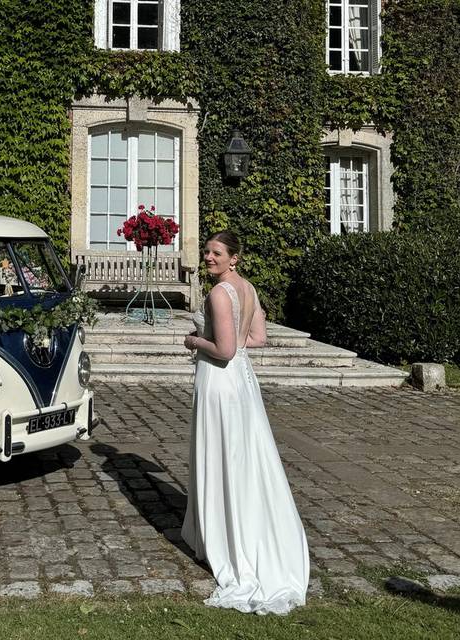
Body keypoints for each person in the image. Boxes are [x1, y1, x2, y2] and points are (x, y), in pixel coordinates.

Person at [181, 231, 309, 615]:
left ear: (234, 257)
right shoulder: (248, 289)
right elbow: (258, 338)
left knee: (222, 457)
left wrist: (194, 341)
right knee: (243, 459)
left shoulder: (220, 294)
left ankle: (226, 539)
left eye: (216, 253)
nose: (208, 258)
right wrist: (228, 338)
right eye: (206, 252)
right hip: (243, 382)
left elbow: (225, 350)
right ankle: (233, 527)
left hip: (221, 382)